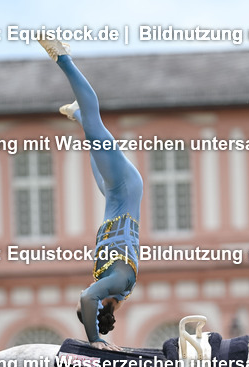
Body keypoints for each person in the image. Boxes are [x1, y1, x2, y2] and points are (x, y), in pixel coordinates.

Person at [38, 38, 143, 351]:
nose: (85, 292)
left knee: (94, 146)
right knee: (96, 127)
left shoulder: (109, 280)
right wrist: (94, 340)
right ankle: (64, 59)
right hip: (125, 187)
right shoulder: (119, 283)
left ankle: (79, 115)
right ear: (103, 305)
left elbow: (89, 297)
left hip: (114, 195)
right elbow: (87, 297)